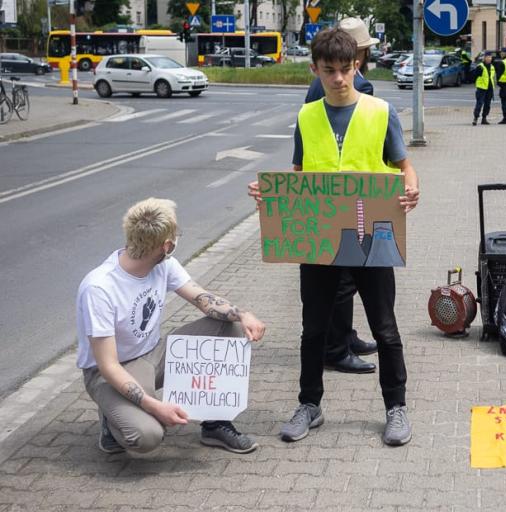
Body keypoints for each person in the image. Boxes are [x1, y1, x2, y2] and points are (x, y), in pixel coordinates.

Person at [249, 28, 420, 446]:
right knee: (313, 329)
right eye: (330, 71)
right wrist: (272, 199)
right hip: (320, 237)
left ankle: (395, 408)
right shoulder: (307, 116)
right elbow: (298, 176)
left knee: (385, 329)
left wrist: (412, 188)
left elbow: (404, 164)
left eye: (346, 69)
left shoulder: (381, 111)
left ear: (356, 65)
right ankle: (310, 404)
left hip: (372, 235)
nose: (339, 79)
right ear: (315, 70)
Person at [76, 198, 267, 455]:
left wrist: (242, 314)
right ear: (166, 245)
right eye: (175, 236)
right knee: (148, 436)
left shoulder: (164, 264)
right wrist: (155, 406)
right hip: (109, 372)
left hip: (152, 353)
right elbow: (107, 365)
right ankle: (111, 422)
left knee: (227, 327)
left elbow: (202, 299)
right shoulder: (99, 288)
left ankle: (215, 424)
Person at [304, 17, 380, 375]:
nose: (339, 77)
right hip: (337, 201)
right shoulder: (332, 89)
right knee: (340, 282)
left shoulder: (341, 81)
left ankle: (346, 337)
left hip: (351, 199)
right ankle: (336, 348)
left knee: (347, 277)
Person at [472, 52, 496, 126]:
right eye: (488, 57)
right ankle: (475, 118)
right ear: (484, 58)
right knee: (479, 103)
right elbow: (474, 76)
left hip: (489, 88)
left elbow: (492, 78)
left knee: (487, 104)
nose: (489, 58)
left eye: (490, 57)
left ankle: (484, 118)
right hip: (481, 88)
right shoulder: (480, 67)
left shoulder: (492, 67)